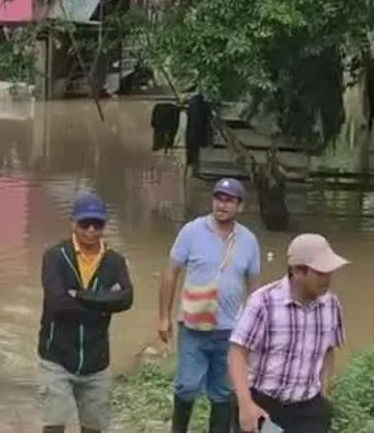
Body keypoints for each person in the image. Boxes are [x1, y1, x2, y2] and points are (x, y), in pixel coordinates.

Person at [158, 178, 261, 433]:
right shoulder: (191, 231)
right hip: (193, 326)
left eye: (229, 200)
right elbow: (171, 273)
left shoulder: (248, 240)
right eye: (219, 198)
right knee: (187, 385)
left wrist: (254, 330)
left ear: (240, 206)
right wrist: (163, 317)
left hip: (230, 331)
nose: (222, 205)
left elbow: (254, 290)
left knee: (223, 390)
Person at [229, 234, 347, 433]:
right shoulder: (263, 302)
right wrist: (245, 405)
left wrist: (323, 394)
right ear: (297, 271)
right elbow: (237, 353)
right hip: (264, 405)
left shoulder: (331, 304)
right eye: (320, 273)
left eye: (330, 272)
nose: (328, 279)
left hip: (308, 409)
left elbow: (328, 351)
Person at [37, 193, 134, 433]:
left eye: (97, 224)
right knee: (54, 426)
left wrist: (79, 295)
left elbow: (125, 299)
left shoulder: (115, 261)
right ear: (73, 223)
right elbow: (57, 303)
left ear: (104, 225)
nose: (91, 230)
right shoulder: (55, 257)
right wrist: (104, 302)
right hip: (56, 356)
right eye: (85, 224)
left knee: (93, 428)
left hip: (97, 360)